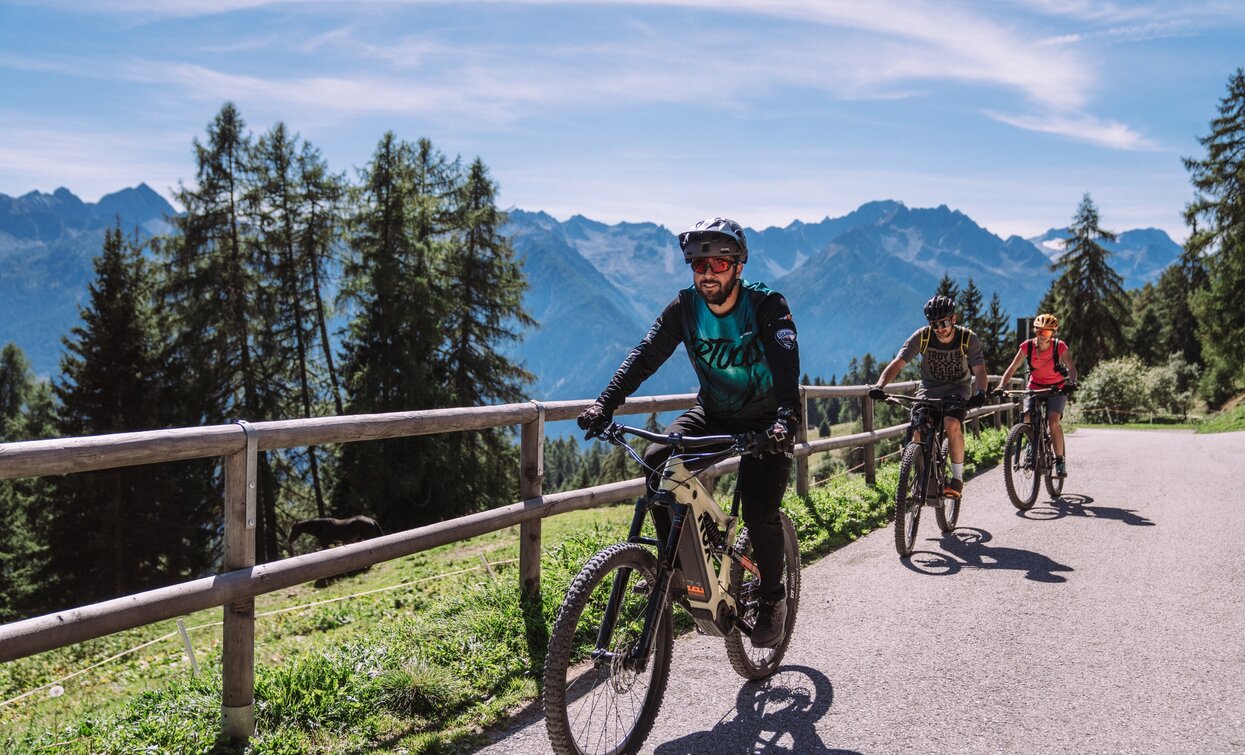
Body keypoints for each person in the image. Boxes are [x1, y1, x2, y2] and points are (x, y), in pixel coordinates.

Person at [577, 216, 801, 649]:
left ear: (737, 266)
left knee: (759, 512)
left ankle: (774, 599)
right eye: (698, 265)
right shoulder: (684, 308)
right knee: (660, 467)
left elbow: (787, 370)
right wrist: (604, 403)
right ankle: (675, 571)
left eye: (718, 264)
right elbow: (645, 356)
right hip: (714, 412)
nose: (707, 273)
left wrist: (785, 419)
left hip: (768, 420)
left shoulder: (768, 306)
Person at [868, 294, 989, 499]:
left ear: (953, 319)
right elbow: (898, 362)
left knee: (952, 423)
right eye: (934, 324)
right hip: (928, 389)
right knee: (918, 427)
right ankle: (919, 474)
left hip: (957, 389)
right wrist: (880, 385)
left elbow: (979, 369)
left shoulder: (968, 338)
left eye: (943, 322)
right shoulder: (922, 337)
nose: (939, 328)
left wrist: (981, 392)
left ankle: (957, 480)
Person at [992, 313, 1078, 477]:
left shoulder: (1059, 346)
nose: (1040, 336)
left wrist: (1072, 382)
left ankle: (1059, 461)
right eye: (1038, 331)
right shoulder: (1027, 346)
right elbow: (1012, 368)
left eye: (1045, 332)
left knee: (1053, 422)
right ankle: (1032, 445)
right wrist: (1001, 386)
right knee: (1026, 417)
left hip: (1056, 389)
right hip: (1035, 387)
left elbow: (1071, 367)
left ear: (1052, 333)